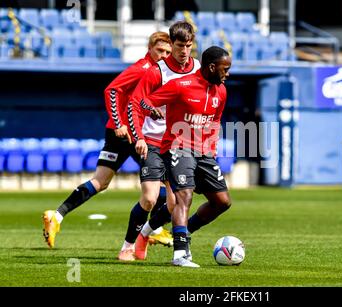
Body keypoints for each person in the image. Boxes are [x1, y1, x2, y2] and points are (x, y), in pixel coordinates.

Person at [42, 32, 172, 249]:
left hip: (118, 133)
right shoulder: (143, 69)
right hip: (128, 133)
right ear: (150, 49)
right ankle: (153, 230)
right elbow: (112, 90)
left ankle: (57, 216)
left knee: (100, 181)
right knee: (162, 183)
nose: (164, 55)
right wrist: (119, 121)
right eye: (160, 51)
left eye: (168, 52)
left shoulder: (158, 72)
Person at [139, 46, 232, 267]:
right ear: (211, 67)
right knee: (184, 197)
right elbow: (145, 100)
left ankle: (183, 231)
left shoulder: (221, 91)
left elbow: (215, 121)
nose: (227, 74)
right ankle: (180, 255)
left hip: (205, 152)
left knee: (222, 202)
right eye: (225, 69)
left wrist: (212, 148)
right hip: (177, 147)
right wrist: (151, 109)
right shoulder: (181, 86)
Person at [117, 21, 201, 261]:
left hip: (179, 143)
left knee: (176, 204)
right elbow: (135, 102)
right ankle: (127, 246)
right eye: (179, 46)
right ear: (172, 44)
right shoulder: (157, 71)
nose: (184, 51)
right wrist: (139, 137)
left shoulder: (198, 69)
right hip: (153, 142)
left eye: (188, 45)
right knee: (150, 198)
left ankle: (145, 233)